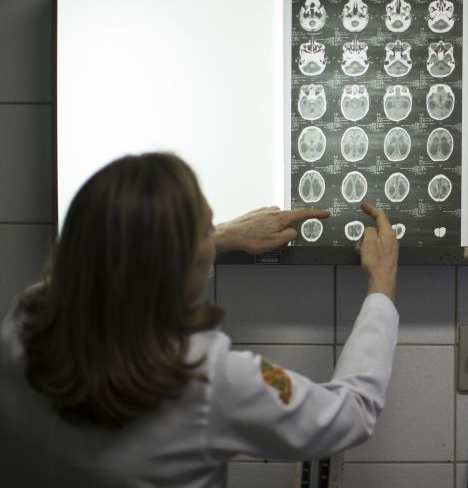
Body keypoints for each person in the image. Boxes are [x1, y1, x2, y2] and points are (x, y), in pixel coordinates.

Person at [0, 152, 399, 487]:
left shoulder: (25, 322)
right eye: (206, 231)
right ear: (182, 260)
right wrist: (381, 287)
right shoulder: (206, 379)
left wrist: (224, 234)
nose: (212, 241)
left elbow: (115, 258)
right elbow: (351, 413)